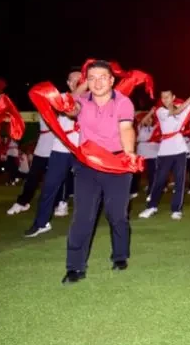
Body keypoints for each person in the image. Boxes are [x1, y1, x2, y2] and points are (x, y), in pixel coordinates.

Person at [62, 60, 137, 284]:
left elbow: (126, 128)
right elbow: (69, 107)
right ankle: (75, 267)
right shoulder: (81, 101)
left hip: (116, 162)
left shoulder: (123, 102)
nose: (97, 83)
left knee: (117, 214)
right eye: (92, 78)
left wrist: (129, 153)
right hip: (87, 164)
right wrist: (80, 89)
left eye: (102, 77)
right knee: (83, 216)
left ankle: (120, 255)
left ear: (112, 80)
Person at [24, 71, 83, 238]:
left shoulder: (91, 99)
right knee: (49, 186)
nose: (77, 82)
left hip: (84, 148)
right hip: (61, 147)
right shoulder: (61, 97)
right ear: (68, 83)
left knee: (91, 185)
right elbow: (68, 106)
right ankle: (41, 223)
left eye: (80, 80)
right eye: (73, 80)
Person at [139, 90, 190, 220]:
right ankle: (152, 206)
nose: (165, 99)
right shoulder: (160, 111)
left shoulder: (182, 107)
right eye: (163, 97)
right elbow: (175, 112)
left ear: (173, 97)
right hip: (165, 151)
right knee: (159, 180)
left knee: (179, 181)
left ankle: (176, 209)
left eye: (167, 97)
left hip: (180, 150)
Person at [7, 115, 54, 215]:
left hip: (58, 150)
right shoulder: (43, 109)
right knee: (32, 178)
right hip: (41, 151)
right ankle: (22, 202)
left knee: (56, 179)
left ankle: (60, 202)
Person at [135, 113, 159, 199]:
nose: (149, 120)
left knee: (152, 174)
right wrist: (151, 113)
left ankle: (151, 192)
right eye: (147, 119)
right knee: (136, 174)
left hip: (153, 155)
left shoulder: (155, 128)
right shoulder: (140, 128)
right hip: (141, 154)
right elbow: (142, 121)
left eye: (150, 119)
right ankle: (133, 190)